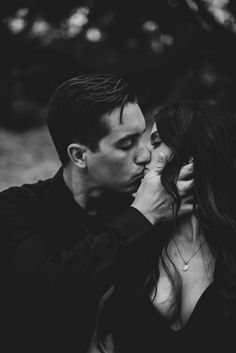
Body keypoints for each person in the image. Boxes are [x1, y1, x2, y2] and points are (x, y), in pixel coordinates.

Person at [0, 74, 192, 353]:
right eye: (126, 144)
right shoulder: (16, 208)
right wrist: (142, 216)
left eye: (143, 137)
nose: (144, 155)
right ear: (79, 155)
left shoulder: (142, 211)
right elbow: (51, 285)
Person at [95, 101, 236, 353]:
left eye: (157, 141)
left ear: (193, 155)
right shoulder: (136, 234)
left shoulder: (229, 243)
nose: (146, 154)